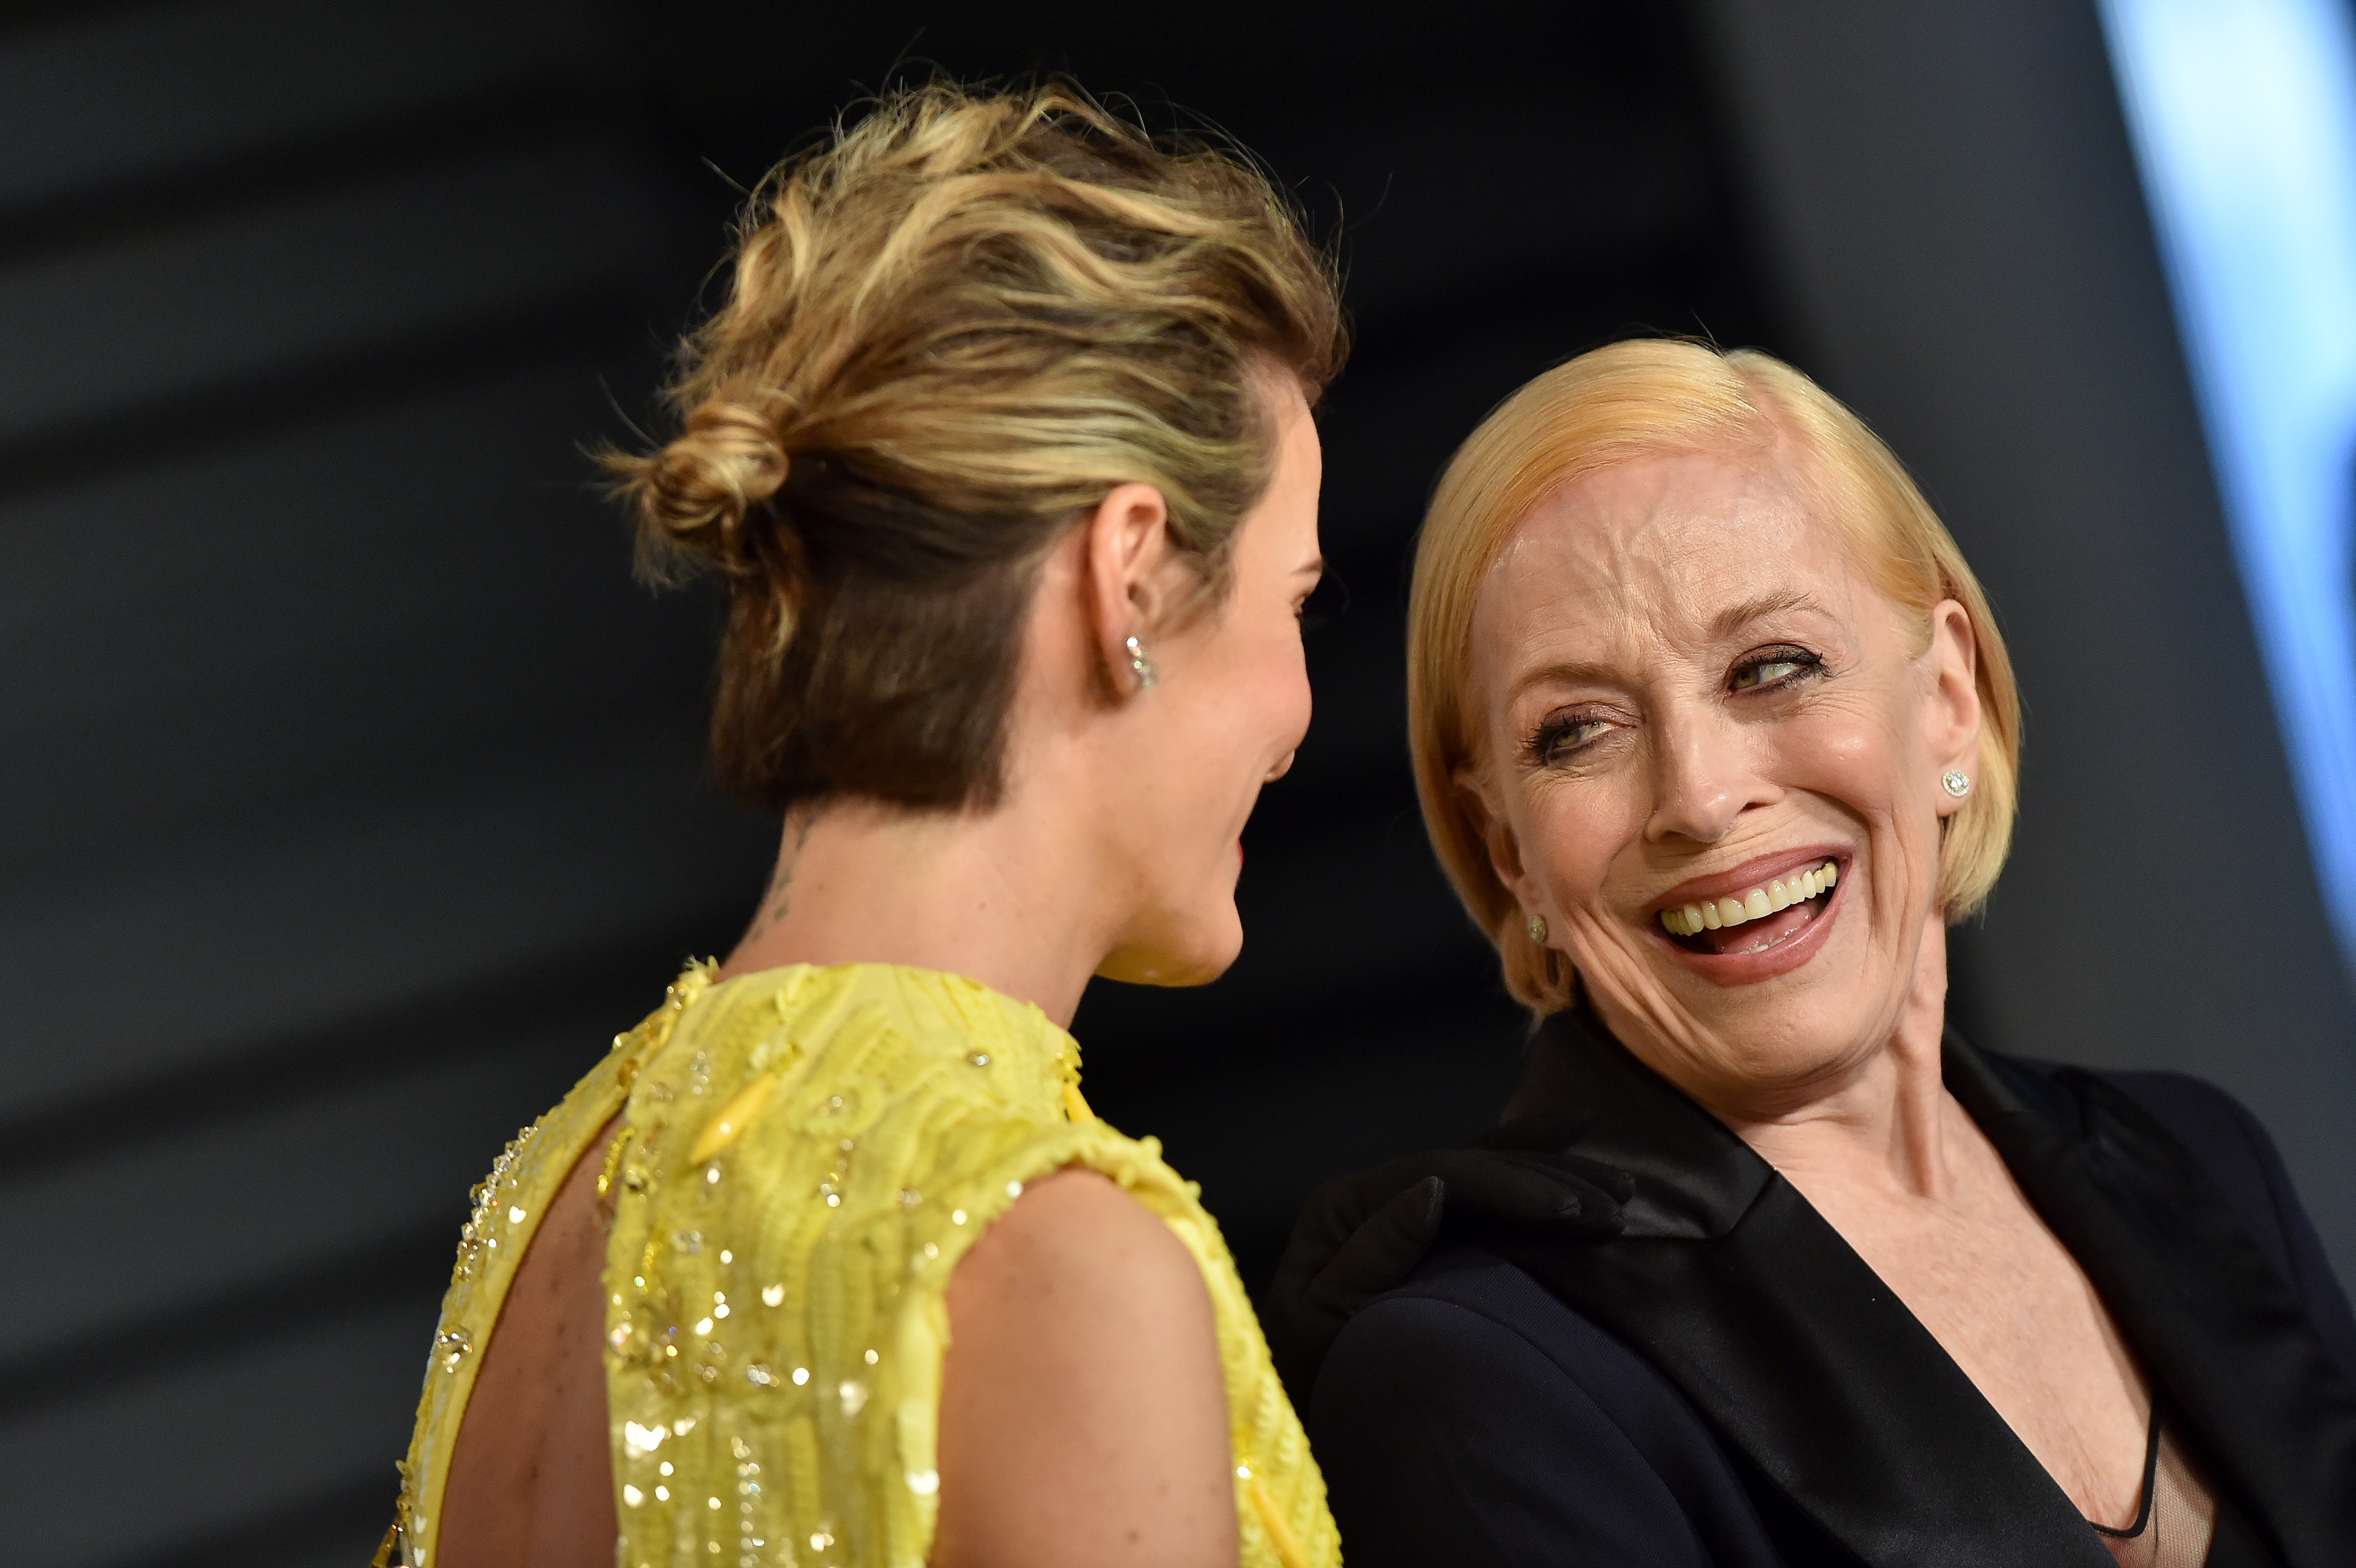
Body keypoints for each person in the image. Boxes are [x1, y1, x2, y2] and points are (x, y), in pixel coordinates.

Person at [382, 82, 1354, 1568]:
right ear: (1132, 575)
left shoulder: (546, 1198)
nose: (1299, 713)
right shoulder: (1051, 1255)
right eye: (1294, 601)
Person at [1282, 340, 2356, 1566]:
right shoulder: (1466, 1376)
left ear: (1945, 695)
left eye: (1770, 666)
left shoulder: (2200, 1165)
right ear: (1509, 850)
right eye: (1576, 731)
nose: (1696, 792)